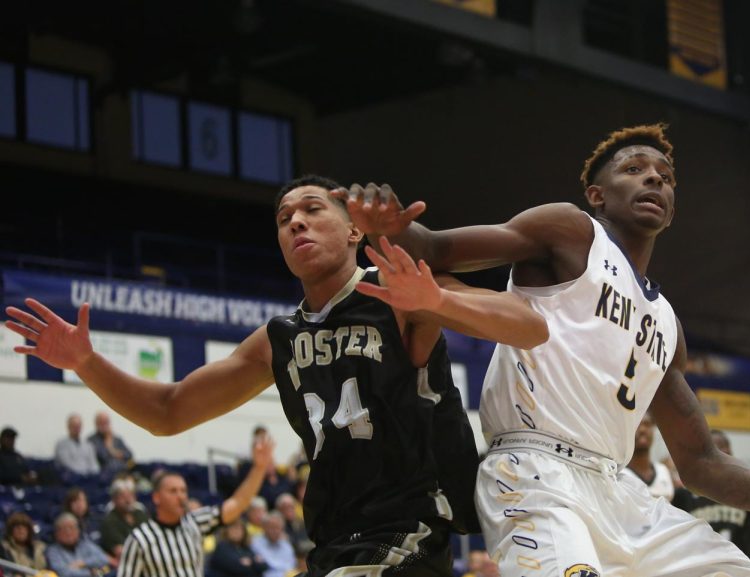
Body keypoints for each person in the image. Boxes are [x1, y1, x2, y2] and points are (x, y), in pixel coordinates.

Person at [336, 123, 750, 577]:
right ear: (597, 194)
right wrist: (391, 225)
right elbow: (437, 249)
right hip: (536, 472)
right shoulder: (570, 231)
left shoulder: (667, 325)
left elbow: (699, 460)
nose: (655, 177)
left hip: (621, 490)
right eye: (635, 169)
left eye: (666, 176)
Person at [5, 174, 548, 577]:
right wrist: (86, 364)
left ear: (355, 227)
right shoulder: (278, 339)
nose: (295, 222)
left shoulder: (401, 292)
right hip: (334, 538)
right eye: (285, 218)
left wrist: (437, 300)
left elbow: (528, 326)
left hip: (410, 528)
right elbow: (168, 412)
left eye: (313, 209)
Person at [116, 436, 274, 577]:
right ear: (156, 497)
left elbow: (238, 503)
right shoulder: (140, 539)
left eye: (183, 491)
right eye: (173, 491)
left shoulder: (195, 523)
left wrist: (259, 468)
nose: (181, 496)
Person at [672, 430, 750, 577]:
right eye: (715, 450)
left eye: (725, 449)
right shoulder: (683, 496)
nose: (721, 455)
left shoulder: (749, 491)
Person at [622, 412, 674, 501]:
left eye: (647, 424)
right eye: (637, 424)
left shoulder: (663, 470)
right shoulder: (620, 474)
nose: (642, 429)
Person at [45, 513, 112, 577]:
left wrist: (83, 563)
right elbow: (64, 573)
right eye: (64, 529)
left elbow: (103, 558)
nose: (68, 533)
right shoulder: (53, 551)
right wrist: (91, 572)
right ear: (57, 533)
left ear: (78, 530)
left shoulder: (85, 544)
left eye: (71, 528)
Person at [98, 478, 149, 562]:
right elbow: (120, 551)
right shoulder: (109, 521)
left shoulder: (140, 514)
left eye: (130, 495)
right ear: (114, 500)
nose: (128, 500)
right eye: (123, 497)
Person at [249, 513, 295, 577]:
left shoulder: (286, 546)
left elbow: (291, 568)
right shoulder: (255, 544)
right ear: (263, 527)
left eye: (278, 527)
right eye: (272, 527)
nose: (275, 531)